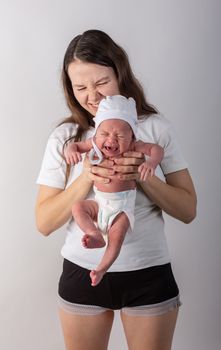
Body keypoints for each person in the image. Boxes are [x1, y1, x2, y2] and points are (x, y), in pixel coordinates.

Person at [35, 29, 197, 350]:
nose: (92, 96)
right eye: (80, 87)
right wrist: (84, 178)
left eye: (101, 83)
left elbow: (187, 210)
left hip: (148, 271)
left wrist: (143, 176)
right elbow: (44, 223)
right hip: (82, 271)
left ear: (120, 73)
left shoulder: (154, 129)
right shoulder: (68, 138)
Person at [64, 95, 164, 287]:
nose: (111, 139)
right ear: (96, 133)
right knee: (78, 207)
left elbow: (156, 149)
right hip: (99, 204)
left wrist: (151, 162)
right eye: (105, 133)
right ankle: (93, 234)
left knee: (116, 238)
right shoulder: (93, 142)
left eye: (120, 136)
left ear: (132, 137)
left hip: (122, 207)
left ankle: (101, 268)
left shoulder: (135, 145)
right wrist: (71, 151)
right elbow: (74, 145)